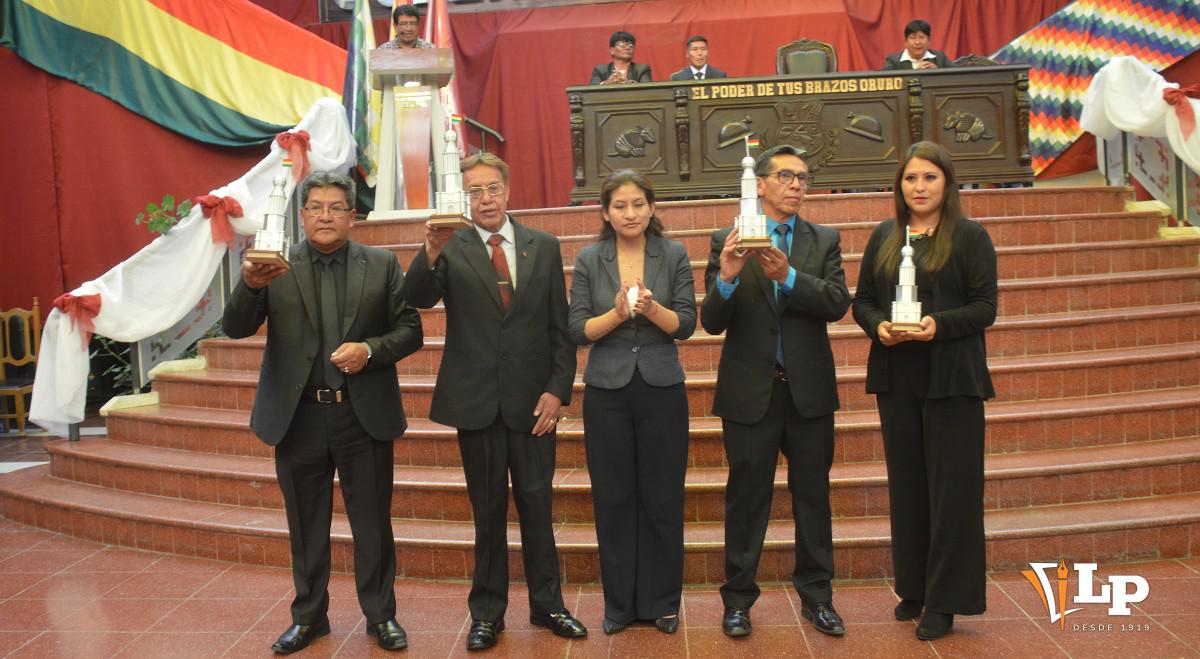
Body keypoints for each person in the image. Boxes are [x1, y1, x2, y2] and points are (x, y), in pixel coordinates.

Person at [223, 171, 423, 654]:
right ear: (302, 214)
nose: (326, 216)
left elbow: (410, 330)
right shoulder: (273, 266)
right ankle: (310, 617)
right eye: (315, 207)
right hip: (298, 417)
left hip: (362, 415)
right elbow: (234, 327)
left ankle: (381, 616)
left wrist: (370, 352)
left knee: (372, 523)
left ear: (353, 216)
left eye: (336, 207)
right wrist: (248, 286)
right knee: (305, 524)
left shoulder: (381, 265)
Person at [402, 153, 587, 651]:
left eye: (492, 189)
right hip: (477, 402)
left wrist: (557, 388)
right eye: (474, 191)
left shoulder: (542, 247)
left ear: (507, 190)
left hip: (533, 406)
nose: (484, 199)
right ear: (464, 198)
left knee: (537, 507)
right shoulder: (452, 246)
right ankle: (487, 613)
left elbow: (559, 325)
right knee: (487, 513)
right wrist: (430, 249)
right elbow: (417, 296)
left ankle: (549, 605)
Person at [702, 145, 851, 639]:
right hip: (750, 393)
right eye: (785, 175)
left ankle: (818, 597)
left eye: (804, 177)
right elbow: (711, 323)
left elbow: (836, 303)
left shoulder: (822, 239)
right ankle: (738, 600)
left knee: (813, 497)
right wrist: (726, 278)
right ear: (759, 184)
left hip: (807, 392)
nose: (796, 185)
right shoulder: (728, 238)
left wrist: (787, 276)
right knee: (747, 500)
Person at [850, 141, 995, 641]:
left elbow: (984, 308)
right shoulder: (885, 236)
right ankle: (913, 589)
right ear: (900, 187)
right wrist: (879, 328)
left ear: (947, 184)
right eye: (911, 179)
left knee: (952, 493)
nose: (919, 187)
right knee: (908, 488)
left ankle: (946, 602)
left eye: (929, 178)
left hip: (953, 377)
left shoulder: (970, 236)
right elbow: (864, 300)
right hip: (899, 376)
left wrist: (938, 324)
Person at [567, 170, 696, 635]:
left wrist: (652, 310)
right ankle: (619, 603)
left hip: (662, 388)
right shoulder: (589, 258)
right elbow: (577, 329)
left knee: (662, 498)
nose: (630, 213)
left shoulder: (674, 253)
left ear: (652, 207)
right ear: (605, 212)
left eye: (638, 204)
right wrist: (618, 314)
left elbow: (685, 324)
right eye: (620, 206)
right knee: (614, 500)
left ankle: (663, 602)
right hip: (607, 392)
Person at [881, 20, 952, 70]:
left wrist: (937, 72)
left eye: (922, 37)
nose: (917, 42)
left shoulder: (940, 58)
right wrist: (915, 74)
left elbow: (958, 75)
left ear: (929, 40)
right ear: (906, 41)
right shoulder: (894, 61)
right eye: (913, 38)